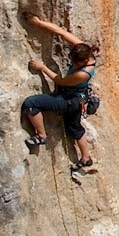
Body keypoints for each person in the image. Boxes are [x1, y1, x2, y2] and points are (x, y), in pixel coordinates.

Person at [20, 13, 98, 176]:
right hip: (78, 100)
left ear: (83, 62)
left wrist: (42, 68)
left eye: (75, 62)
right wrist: (39, 23)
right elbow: (61, 33)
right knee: (75, 129)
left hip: (68, 101)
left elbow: (60, 81)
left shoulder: (83, 73)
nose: (73, 63)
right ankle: (86, 158)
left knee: (31, 104)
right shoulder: (84, 50)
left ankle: (41, 135)